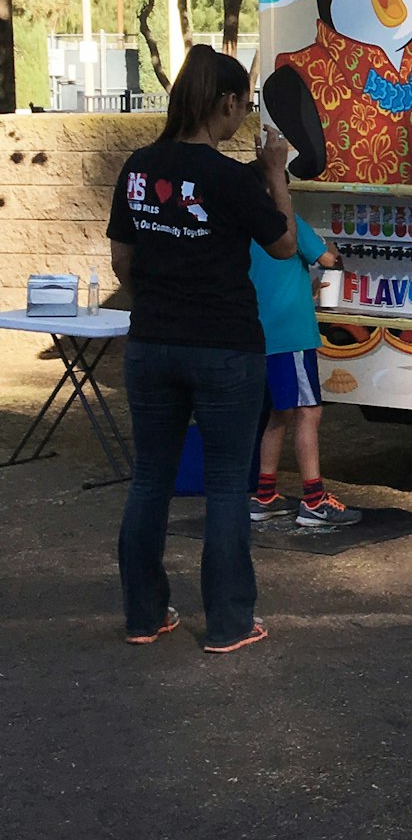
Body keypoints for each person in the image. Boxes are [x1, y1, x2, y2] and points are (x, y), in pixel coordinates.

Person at [109, 45, 297, 654]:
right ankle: (229, 623)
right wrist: (274, 174)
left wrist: (155, 302)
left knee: (149, 483)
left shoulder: (137, 167)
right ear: (223, 103)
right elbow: (284, 245)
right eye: (243, 105)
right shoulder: (229, 178)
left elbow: (121, 259)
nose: (243, 116)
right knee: (223, 487)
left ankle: (143, 615)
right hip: (224, 349)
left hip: (150, 345)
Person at [248, 214, 359, 530]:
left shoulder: (243, 223)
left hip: (259, 332)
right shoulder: (287, 221)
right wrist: (333, 247)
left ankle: (265, 495)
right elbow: (329, 259)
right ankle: (314, 501)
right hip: (291, 334)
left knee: (278, 413)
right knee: (309, 412)